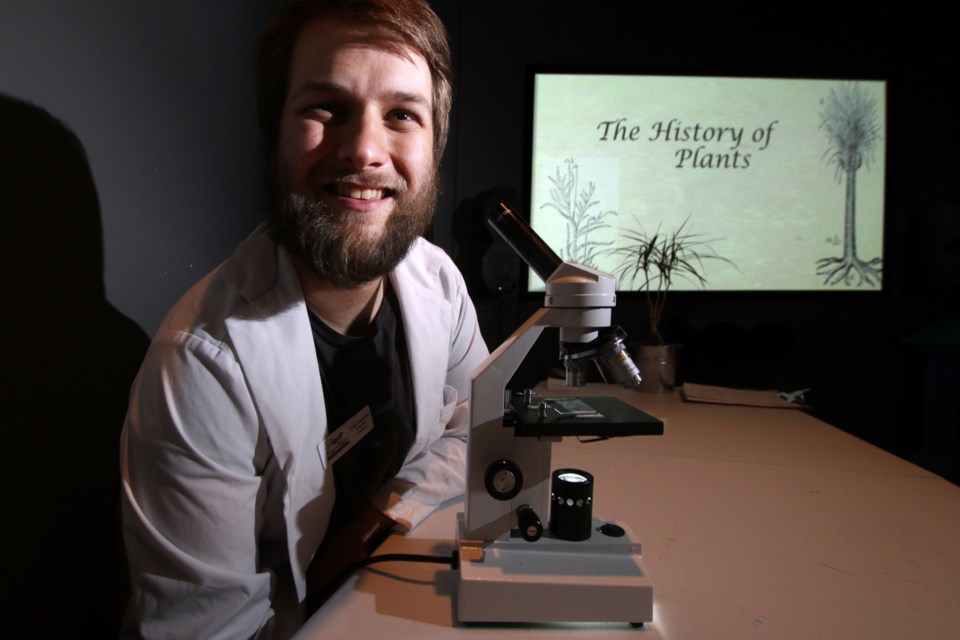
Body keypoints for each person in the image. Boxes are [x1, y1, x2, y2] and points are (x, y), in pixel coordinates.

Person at [119, 1, 488, 637]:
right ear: (275, 134)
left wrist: (375, 521)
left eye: (402, 115)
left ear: (435, 147)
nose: (366, 150)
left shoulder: (438, 282)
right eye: (327, 108)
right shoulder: (202, 364)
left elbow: (476, 428)